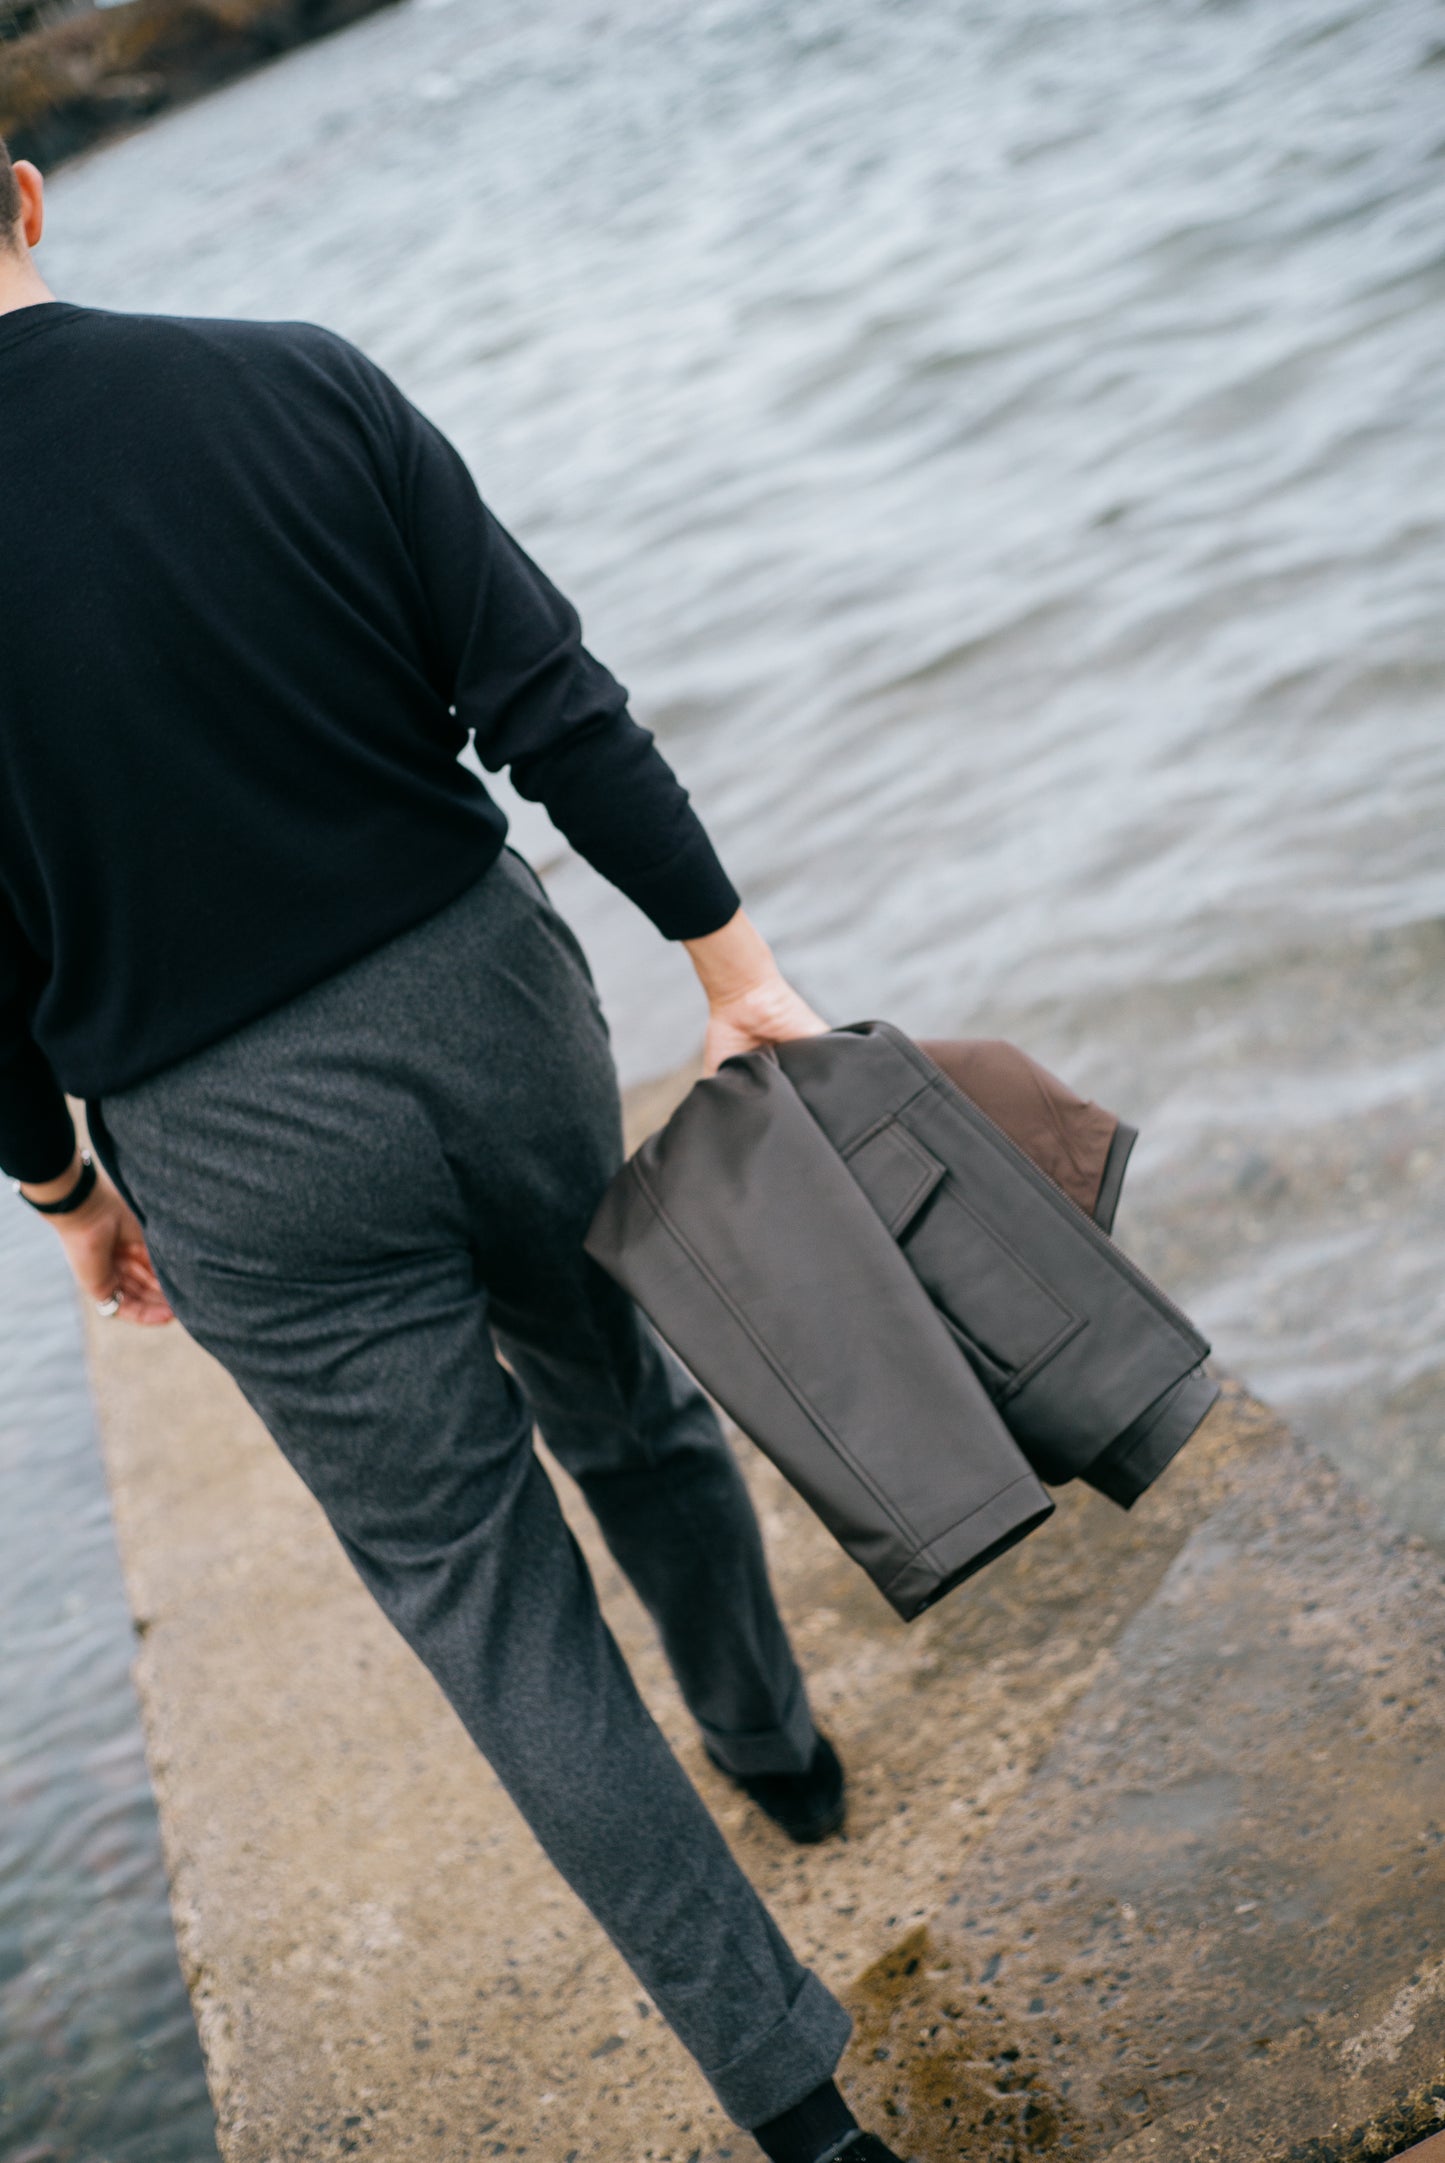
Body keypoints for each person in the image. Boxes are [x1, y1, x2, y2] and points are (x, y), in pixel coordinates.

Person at [0, 143, 909, 2163]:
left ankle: (803, 2107)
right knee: (627, 1387)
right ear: (30, 198)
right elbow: (551, 702)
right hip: (488, 1007)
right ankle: (776, 1738)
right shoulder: (293, 376)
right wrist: (732, 964)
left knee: (489, 1611)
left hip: (228, 1137)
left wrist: (68, 1189)